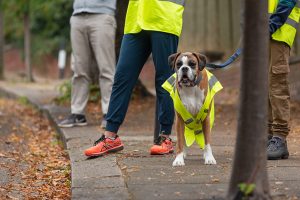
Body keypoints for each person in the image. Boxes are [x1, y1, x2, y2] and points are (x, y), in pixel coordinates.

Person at [84, 0, 185, 157]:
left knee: (164, 80)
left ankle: (165, 137)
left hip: (164, 15)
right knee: (122, 77)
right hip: (136, 19)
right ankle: (110, 138)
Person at [59, 0, 117, 129]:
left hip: (102, 15)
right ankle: (77, 113)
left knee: (106, 69)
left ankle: (109, 114)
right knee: (79, 70)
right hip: (77, 15)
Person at [267, 0, 300, 160]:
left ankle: (279, 137)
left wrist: (272, 23)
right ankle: (267, 136)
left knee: (277, 83)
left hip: (280, 31)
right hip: (264, 32)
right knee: (263, 83)